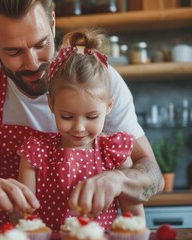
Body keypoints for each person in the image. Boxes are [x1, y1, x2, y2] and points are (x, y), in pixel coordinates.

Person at [0, 0, 163, 229]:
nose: (32, 62)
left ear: (53, 24)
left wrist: (120, 180)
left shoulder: (99, 80)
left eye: (41, 44)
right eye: (14, 51)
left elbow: (153, 175)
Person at [16, 29, 145, 231]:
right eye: (66, 116)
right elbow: (24, 216)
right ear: (51, 105)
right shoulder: (36, 152)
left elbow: (133, 217)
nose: (79, 128)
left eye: (92, 117)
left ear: (109, 106)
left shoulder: (113, 152)